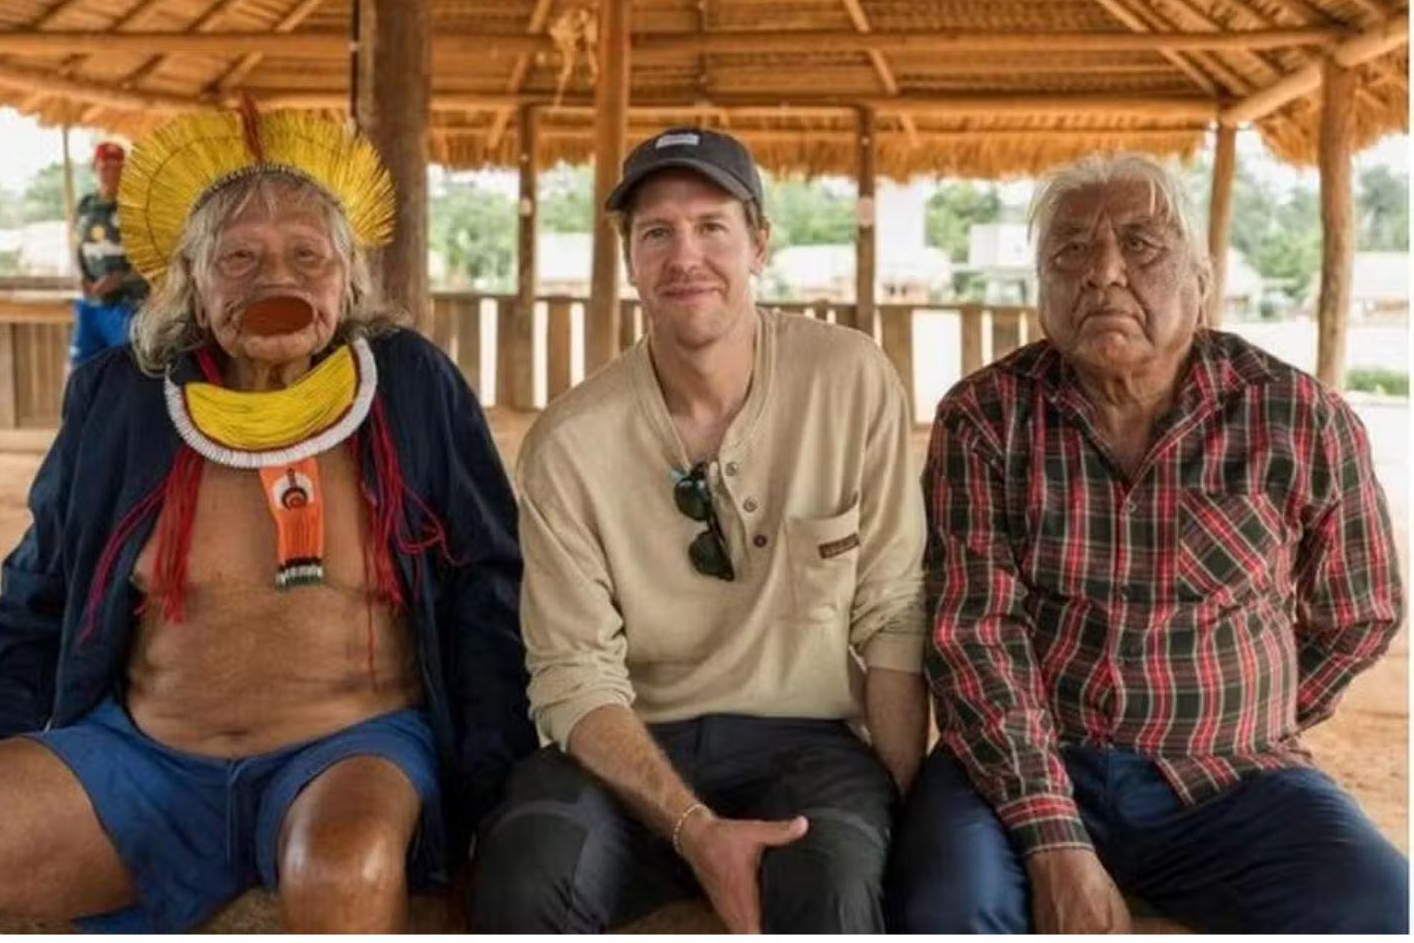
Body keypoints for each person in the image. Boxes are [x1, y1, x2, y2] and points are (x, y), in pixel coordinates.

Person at [0, 107, 537, 933]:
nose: (278, 279)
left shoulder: (411, 388)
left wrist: (489, 800)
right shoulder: (122, 398)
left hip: (345, 755)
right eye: (240, 258)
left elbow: (489, 589)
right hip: (141, 762)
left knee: (344, 872)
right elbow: (38, 593)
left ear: (347, 279)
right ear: (193, 283)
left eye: (307, 255)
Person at [887, 154, 1407, 934]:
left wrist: (1252, 716)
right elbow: (974, 635)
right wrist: (1054, 837)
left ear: (1201, 277)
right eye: (1069, 252)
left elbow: (1361, 613)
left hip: (1230, 781)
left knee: (1378, 907)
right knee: (948, 909)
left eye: (1141, 246)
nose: (1102, 274)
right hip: (1023, 761)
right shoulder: (988, 415)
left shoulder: (1297, 415)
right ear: (1041, 286)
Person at [469, 127, 930, 934]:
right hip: (630, 744)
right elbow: (574, 675)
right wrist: (693, 828)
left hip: (811, 739)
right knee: (527, 870)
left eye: (711, 226)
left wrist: (901, 804)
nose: (686, 256)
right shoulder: (570, 443)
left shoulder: (849, 379)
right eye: (657, 233)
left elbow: (892, 612)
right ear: (631, 261)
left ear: (758, 245)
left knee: (834, 883)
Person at [70, 141, 150, 369]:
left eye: (117, 168)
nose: (111, 174)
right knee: (82, 368)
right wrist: (80, 277)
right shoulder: (85, 206)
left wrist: (120, 279)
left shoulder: (136, 208)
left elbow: (153, 260)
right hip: (92, 303)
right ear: (95, 167)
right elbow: (77, 247)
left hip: (128, 305)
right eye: (105, 167)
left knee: (127, 368)